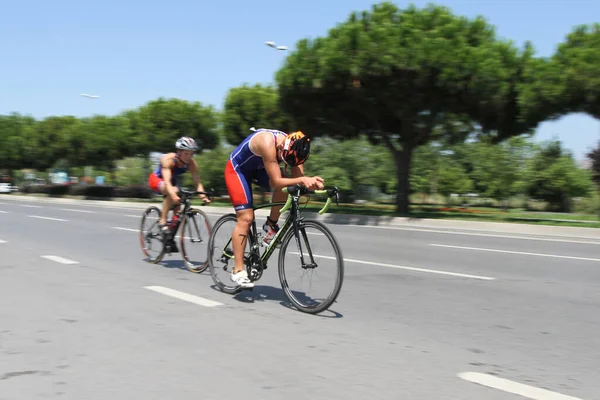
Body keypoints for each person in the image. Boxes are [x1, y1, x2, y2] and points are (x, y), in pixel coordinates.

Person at [224, 128, 324, 288]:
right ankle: (237, 271)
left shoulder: (295, 149)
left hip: (260, 169)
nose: (287, 164)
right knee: (246, 218)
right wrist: (303, 179)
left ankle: (271, 225)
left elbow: (297, 180)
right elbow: (277, 181)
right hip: (238, 170)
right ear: (282, 148)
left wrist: (314, 185)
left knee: (289, 186)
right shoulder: (267, 142)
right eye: (285, 160)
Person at [148, 136, 210, 239]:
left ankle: (169, 237)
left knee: (178, 213)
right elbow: (167, 183)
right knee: (174, 191)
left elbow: (197, 183)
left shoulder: (191, 164)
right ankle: (162, 221)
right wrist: (173, 194)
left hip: (172, 181)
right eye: (186, 153)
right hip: (157, 179)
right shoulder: (168, 159)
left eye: (191, 153)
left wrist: (203, 196)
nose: (189, 157)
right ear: (179, 152)